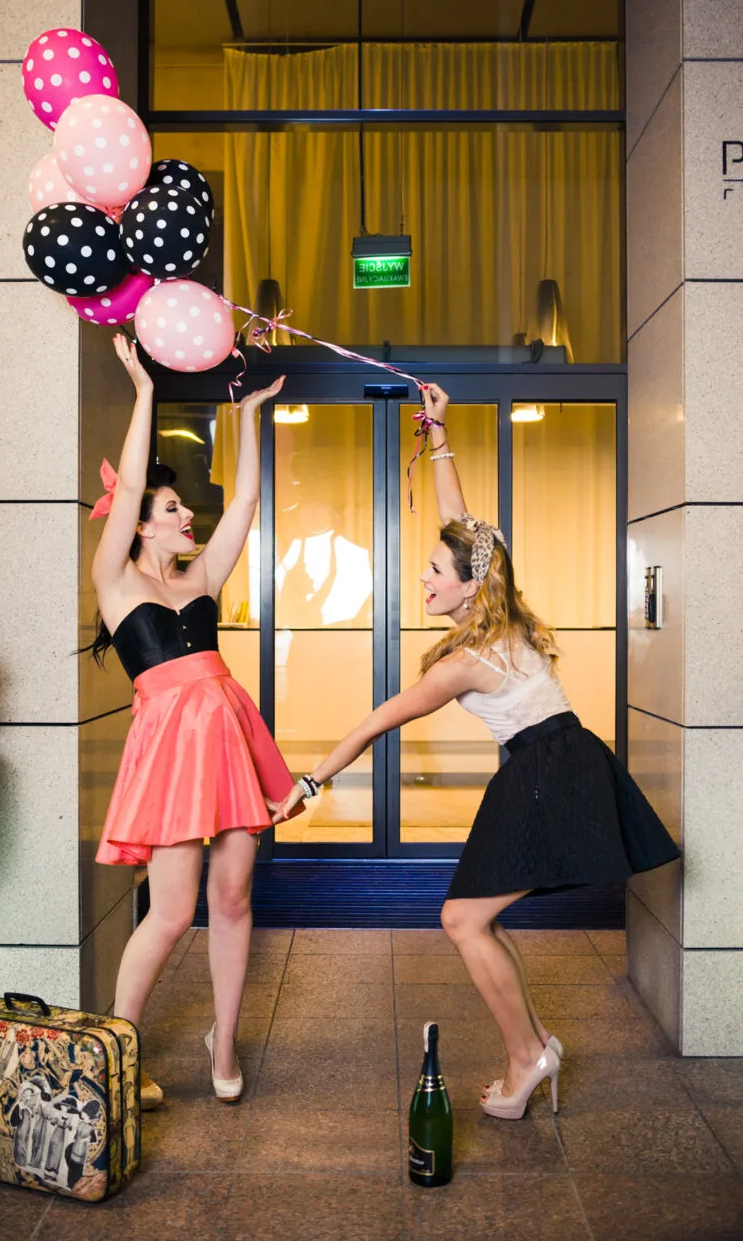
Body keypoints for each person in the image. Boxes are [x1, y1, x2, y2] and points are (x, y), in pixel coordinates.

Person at [274, 382, 679, 1121]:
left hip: (545, 774)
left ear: (468, 587)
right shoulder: (504, 616)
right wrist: (441, 435)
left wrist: (309, 781)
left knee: (462, 920)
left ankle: (529, 1057)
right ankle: (533, 1050)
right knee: (474, 919)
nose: (424, 577)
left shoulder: (466, 661)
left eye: (435, 571)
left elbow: (374, 723)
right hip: (562, 759)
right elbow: (464, 523)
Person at [88, 332, 296, 1107]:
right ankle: (113, 1052)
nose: (186, 516)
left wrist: (247, 416)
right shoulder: (114, 580)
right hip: (173, 748)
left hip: (230, 734)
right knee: (171, 911)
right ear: (140, 525)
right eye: (172, 509)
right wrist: (144, 391)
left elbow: (245, 501)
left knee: (234, 895)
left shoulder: (203, 574)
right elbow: (136, 475)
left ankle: (225, 1042)